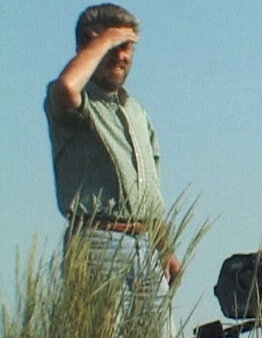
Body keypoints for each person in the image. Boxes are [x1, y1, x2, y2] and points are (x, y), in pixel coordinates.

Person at [44, 3, 179, 336]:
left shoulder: (136, 112)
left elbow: (148, 192)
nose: (122, 56)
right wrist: (102, 41)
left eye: (128, 47)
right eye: (115, 46)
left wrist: (165, 249)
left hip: (144, 246)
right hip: (96, 242)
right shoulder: (73, 99)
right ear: (90, 43)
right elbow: (67, 88)